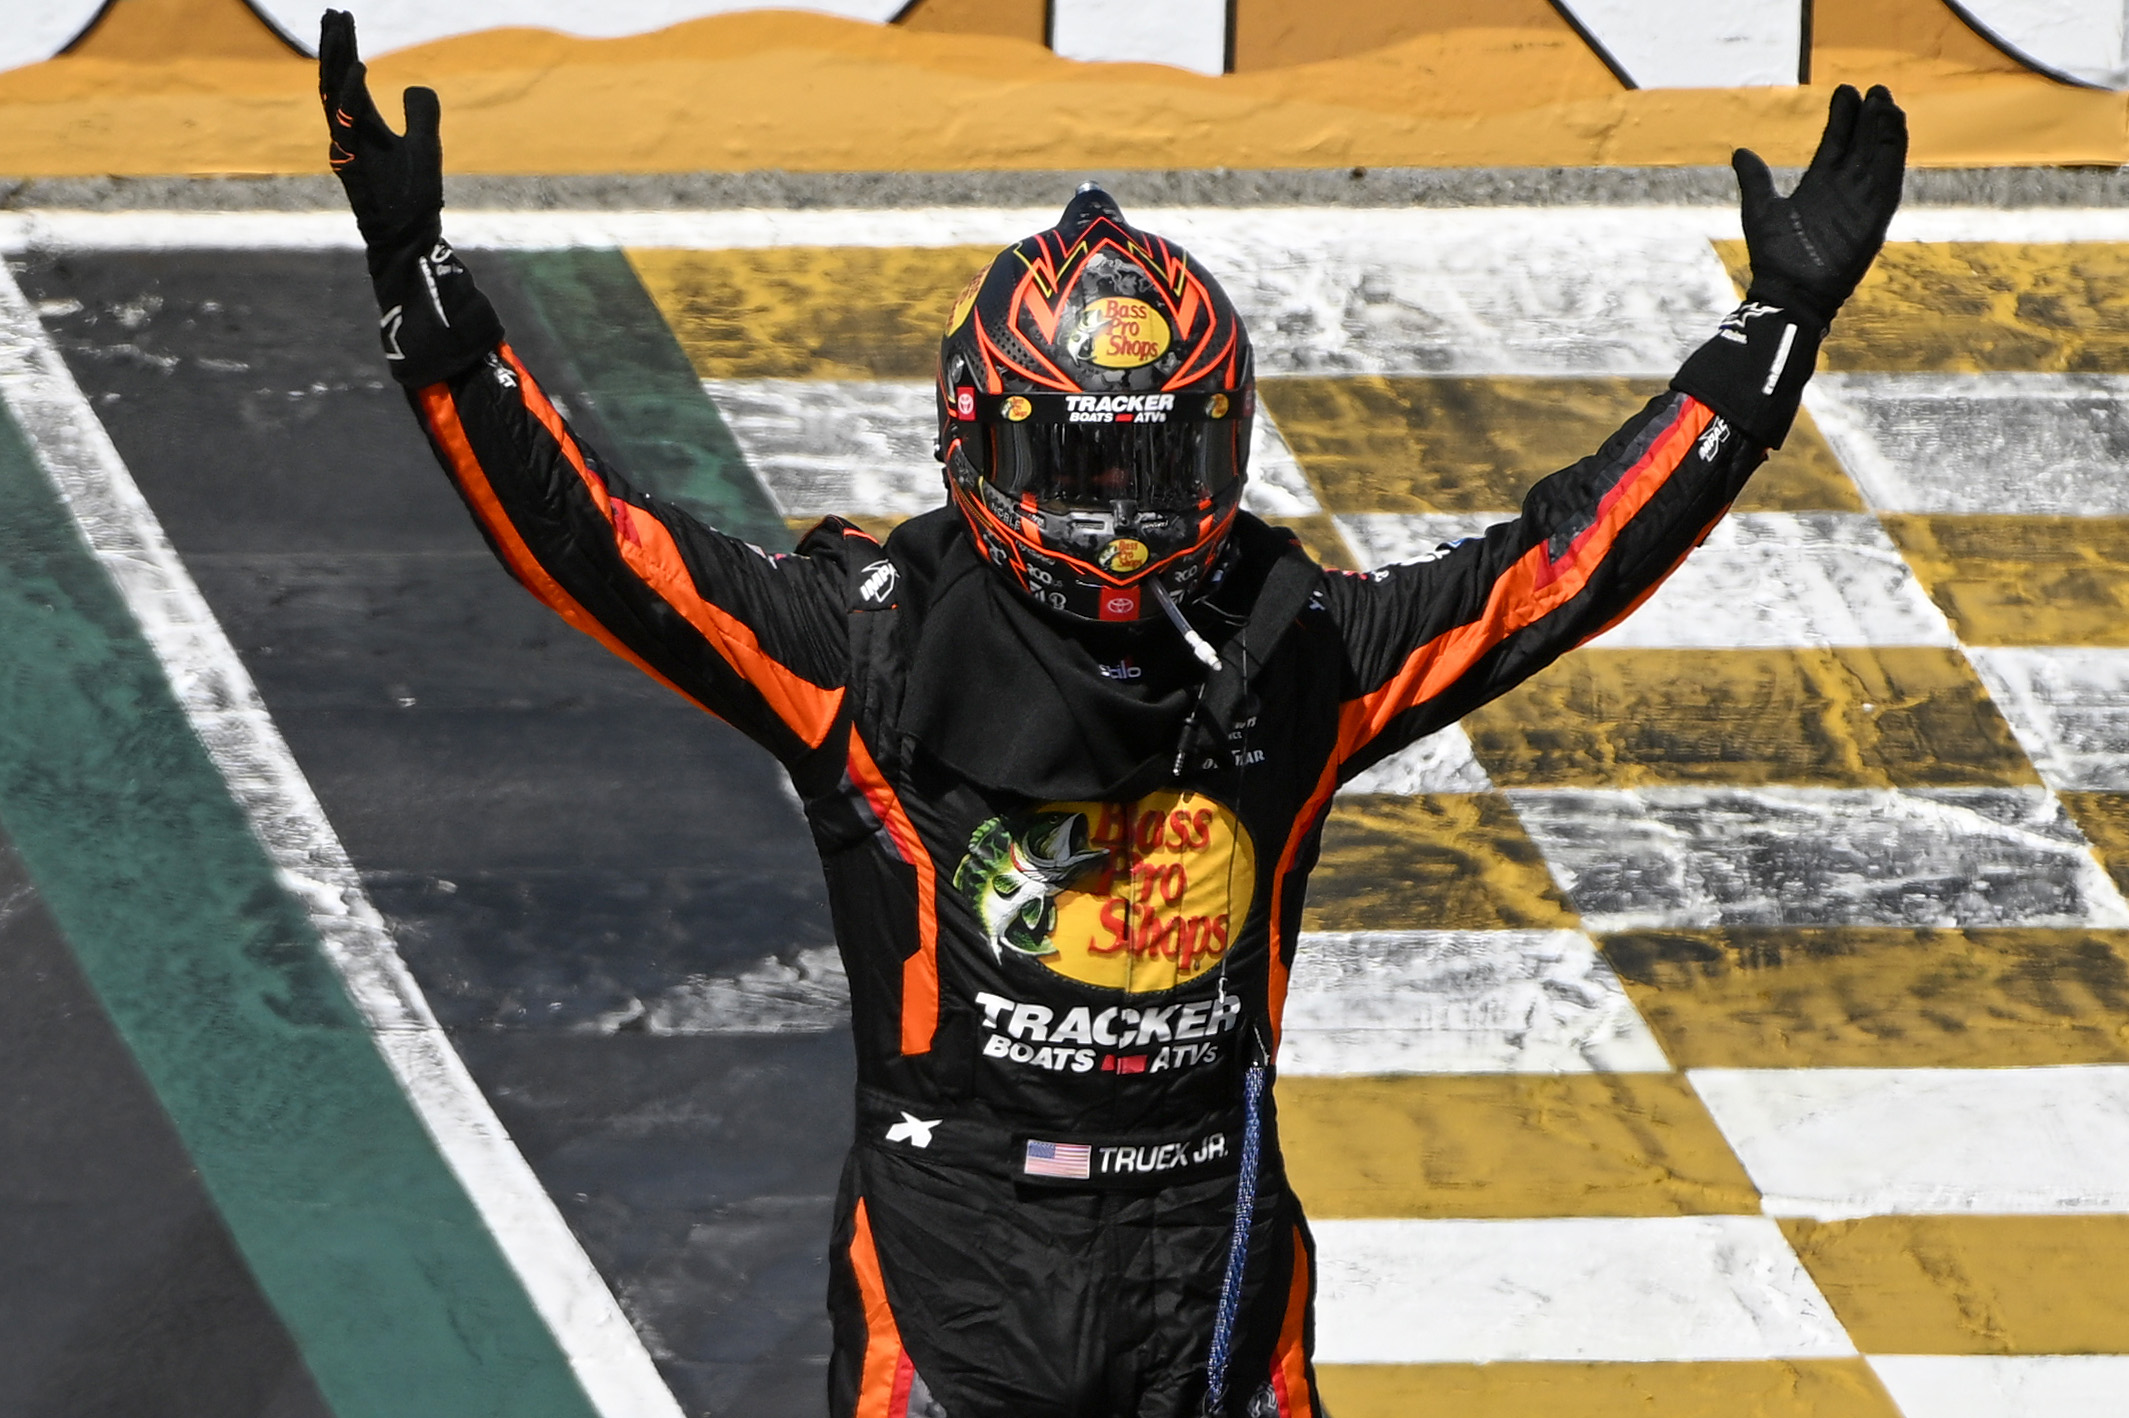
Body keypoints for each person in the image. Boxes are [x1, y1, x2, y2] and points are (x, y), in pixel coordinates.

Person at [316, 12, 1905, 1415]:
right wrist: (426, 296)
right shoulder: (860, 649)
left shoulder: (1298, 650)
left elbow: (1551, 568)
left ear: (1223, 449)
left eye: (1157, 472)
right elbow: (598, 545)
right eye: (1080, 474)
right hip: (951, 1280)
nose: (1122, 528)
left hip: (1207, 1274)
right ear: (978, 443)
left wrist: (1767, 338)